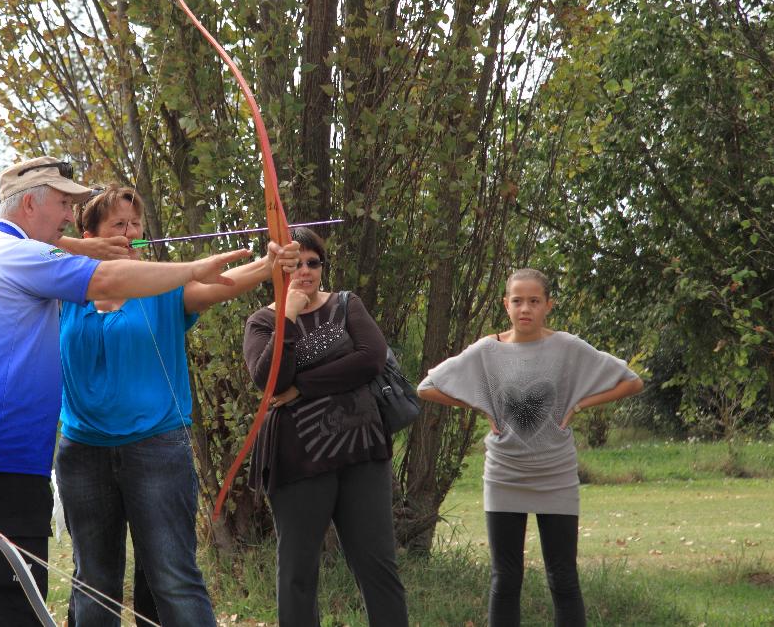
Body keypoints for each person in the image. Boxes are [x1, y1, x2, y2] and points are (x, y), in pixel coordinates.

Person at [0, 156, 256, 627]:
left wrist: (90, 245)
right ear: (32, 202)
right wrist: (192, 268)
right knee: (11, 598)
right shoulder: (21, 257)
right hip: (8, 456)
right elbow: (105, 279)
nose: (66, 216)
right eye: (62, 202)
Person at [56, 185, 299, 627]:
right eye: (118, 226)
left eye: (135, 225)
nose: (129, 234)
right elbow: (18, 241)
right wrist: (80, 249)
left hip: (156, 448)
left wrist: (269, 266)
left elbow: (220, 285)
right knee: (93, 581)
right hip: (82, 453)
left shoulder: (162, 286)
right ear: (90, 231)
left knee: (173, 577)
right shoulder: (64, 288)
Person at [417, 268, 643, 627]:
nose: (525, 309)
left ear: (548, 305)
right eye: (518, 301)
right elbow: (427, 386)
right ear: (506, 305)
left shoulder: (567, 347)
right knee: (505, 579)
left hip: (556, 475)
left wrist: (579, 405)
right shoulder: (488, 350)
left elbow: (631, 381)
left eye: (534, 301)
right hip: (504, 475)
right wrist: (480, 404)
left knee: (563, 579)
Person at [242, 227, 409, 627]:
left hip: (362, 452)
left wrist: (302, 387)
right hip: (298, 459)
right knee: (297, 572)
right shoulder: (263, 323)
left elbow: (370, 359)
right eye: (295, 263)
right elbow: (270, 382)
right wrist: (288, 313)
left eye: (313, 262)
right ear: (277, 268)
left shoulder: (347, 305)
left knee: (378, 566)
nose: (305, 271)